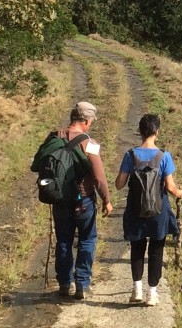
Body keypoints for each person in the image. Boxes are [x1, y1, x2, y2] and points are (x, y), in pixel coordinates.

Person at [32, 101, 113, 300]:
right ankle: (82, 285)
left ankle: (64, 284)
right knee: (87, 239)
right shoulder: (90, 143)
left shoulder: (53, 138)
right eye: (91, 122)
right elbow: (99, 176)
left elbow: (36, 165)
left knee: (64, 241)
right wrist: (106, 199)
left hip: (59, 199)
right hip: (83, 199)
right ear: (86, 121)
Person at [115, 113, 182, 306]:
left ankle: (136, 288)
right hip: (158, 210)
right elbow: (170, 187)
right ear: (156, 132)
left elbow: (119, 184)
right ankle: (152, 293)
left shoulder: (130, 155)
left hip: (135, 209)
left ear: (140, 131)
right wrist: (180, 193)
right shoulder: (164, 156)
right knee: (156, 249)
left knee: (137, 248)